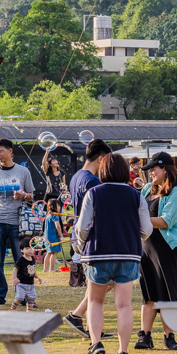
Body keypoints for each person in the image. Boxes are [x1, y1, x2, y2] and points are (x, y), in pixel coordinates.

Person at [76, 152, 152, 354]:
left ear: (103, 171)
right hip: (128, 254)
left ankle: (96, 343)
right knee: (124, 306)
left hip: (98, 253)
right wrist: (133, 235)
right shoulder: (136, 195)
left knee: (95, 301)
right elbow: (146, 229)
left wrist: (82, 245)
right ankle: (123, 352)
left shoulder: (94, 193)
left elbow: (82, 227)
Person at [61, 139, 113, 339]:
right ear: (100, 159)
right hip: (91, 238)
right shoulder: (92, 181)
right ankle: (78, 316)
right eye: (106, 161)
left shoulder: (76, 177)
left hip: (81, 236)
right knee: (101, 282)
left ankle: (88, 325)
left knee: (100, 283)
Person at [136, 152, 177, 351]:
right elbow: (136, 210)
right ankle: (145, 336)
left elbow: (166, 221)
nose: (150, 174)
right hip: (146, 247)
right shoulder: (147, 189)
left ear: (165, 169)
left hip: (166, 248)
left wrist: (136, 221)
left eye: (153, 169)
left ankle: (170, 337)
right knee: (148, 293)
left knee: (166, 293)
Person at [0, 139, 35, 306]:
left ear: (10, 151)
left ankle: (26, 297)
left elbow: (31, 195)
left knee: (22, 260)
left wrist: (24, 195)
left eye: (1, 151)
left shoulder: (23, 171)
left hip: (18, 223)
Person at [12, 244, 43, 311]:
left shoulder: (32, 259)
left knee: (31, 298)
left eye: (31, 248)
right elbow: (15, 269)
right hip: (21, 284)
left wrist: (37, 277)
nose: (30, 250)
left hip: (30, 284)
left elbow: (32, 270)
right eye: (27, 248)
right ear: (21, 250)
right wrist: (14, 278)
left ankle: (29, 311)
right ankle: (13, 308)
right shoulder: (21, 259)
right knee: (20, 298)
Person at [43, 198, 62, 273]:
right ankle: (52, 268)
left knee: (49, 252)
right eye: (58, 206)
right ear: (53, 207)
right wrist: (60, 235)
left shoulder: (48, 215)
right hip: (53, 237)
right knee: (54, 252)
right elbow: (58, 226)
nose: (59, 207)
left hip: (47, 237)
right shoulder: (55, 215)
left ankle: (45, 269)